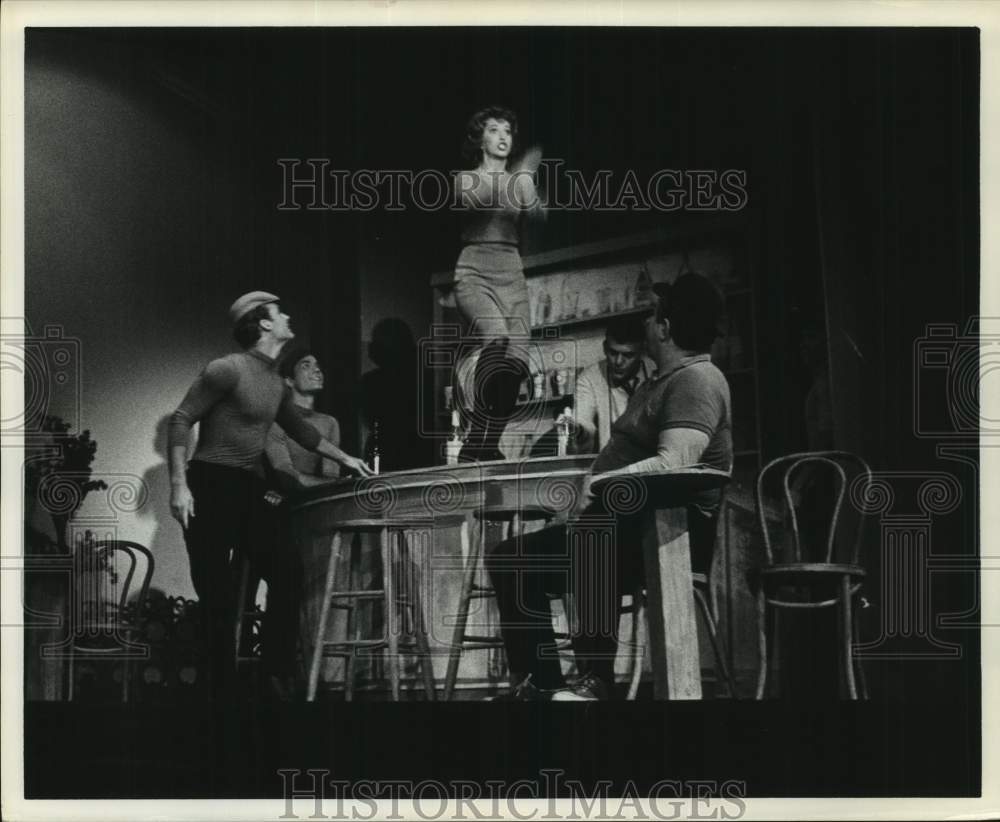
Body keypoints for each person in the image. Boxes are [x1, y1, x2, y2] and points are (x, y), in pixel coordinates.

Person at [483, 273, 732, 701]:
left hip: (666, 536)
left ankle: (595, 682)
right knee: (514, 559)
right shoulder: (663, 380)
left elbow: (675, 464)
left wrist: (597, 486)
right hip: (627, 528)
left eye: (654, 316)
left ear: (666, 328)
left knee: (591, 539)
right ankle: (543, 687)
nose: (648, 324)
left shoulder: (697, 381)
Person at [168, 291, 373, 701]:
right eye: (281, 314)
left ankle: (274, 672)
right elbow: (182, 419)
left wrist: (346, 457)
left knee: (287, 570)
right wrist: (178, 484)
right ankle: (220, 690)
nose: (288, 317)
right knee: (217, 591)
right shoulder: (226, 370)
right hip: (210, 482)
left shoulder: (276, 385)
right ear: (263, 323)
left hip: (247, 485)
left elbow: (303, 432)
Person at [452, 105, 546, 462]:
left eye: (508, 131)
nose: (503, 136)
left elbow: (538, 214)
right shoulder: (466, 178)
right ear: (480, 139)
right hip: (475, 268)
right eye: (494, 130)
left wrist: (527, 185)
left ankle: (484, 443)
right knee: (498, 340)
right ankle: (478, 434)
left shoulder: (519, 181)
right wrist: (514, 178)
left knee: (517, 361)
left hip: (512, 269)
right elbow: (475, 201)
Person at [564, 315, 655, 454]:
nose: (618, 361)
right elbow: (583, 421)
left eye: (628, 355)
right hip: (611, 466)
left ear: (642, 352)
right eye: (613, 353)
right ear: (605, 348)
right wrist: (578, 431)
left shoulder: (655, 370)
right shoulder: (589, 378)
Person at [265, 344, 342, 491]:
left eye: (317, 366)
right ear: (289, 380)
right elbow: (286, 478)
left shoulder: (330, 422)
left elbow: (331, 475)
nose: (317, 370)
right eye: (306, 366)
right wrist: (334, 484)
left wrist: (335, 484)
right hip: (275, 498)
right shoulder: (277, 420)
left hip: (315, 499)